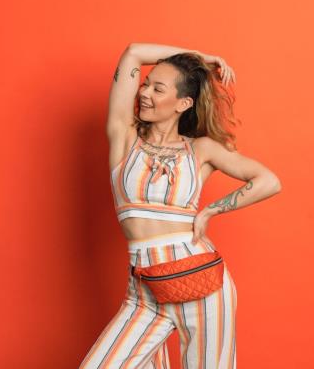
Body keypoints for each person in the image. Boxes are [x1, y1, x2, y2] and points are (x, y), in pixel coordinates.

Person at [79, 43, 282, 368]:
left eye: (158, 88)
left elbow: (269, 180)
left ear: (183, 103)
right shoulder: (125, 137)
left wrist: (212, 209)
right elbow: (132, 52)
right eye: (145, 84)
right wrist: (204, 57)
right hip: (145, 294)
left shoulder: (200, 150)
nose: (144, 92)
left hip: (204, 288)